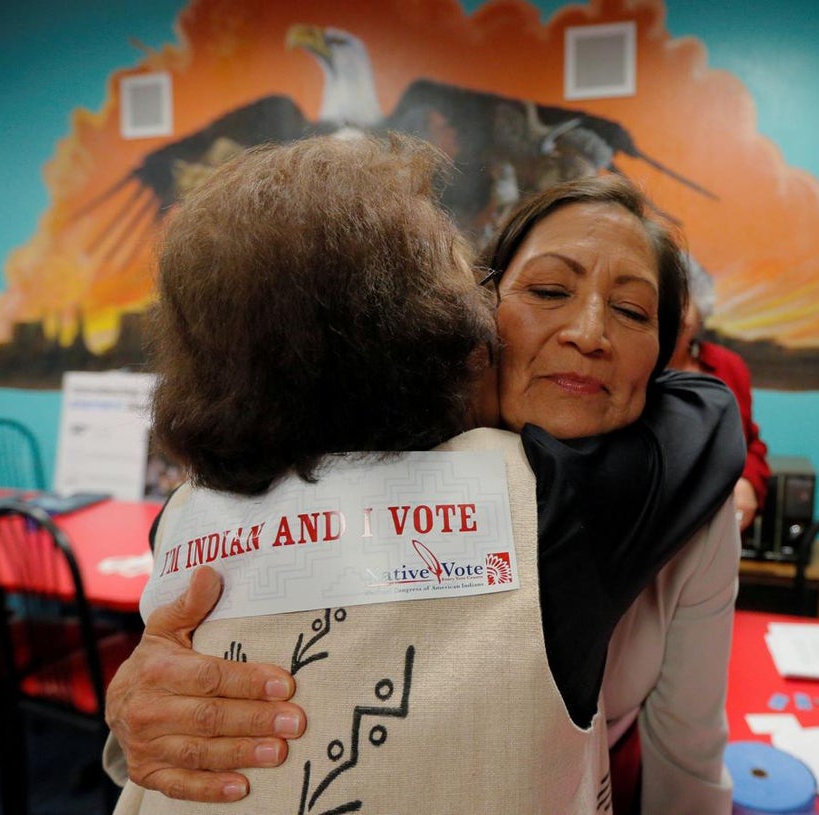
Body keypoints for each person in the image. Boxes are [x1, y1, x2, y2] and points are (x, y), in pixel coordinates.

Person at [104, 144, 744, 813]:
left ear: (669, 351)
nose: (588, 332)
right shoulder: (509, 494)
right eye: (550, 290)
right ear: (477, 314)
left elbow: (689, 751)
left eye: (634, 310)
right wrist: (135, 704)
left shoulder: (681, 497)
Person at [668, 254, 769, 532]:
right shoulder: (630, 369)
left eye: (685, 301)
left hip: (715, 529)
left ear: (700, 315)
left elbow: (751, 445)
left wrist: (747, 482)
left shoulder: (727, 366)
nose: (675, 312)